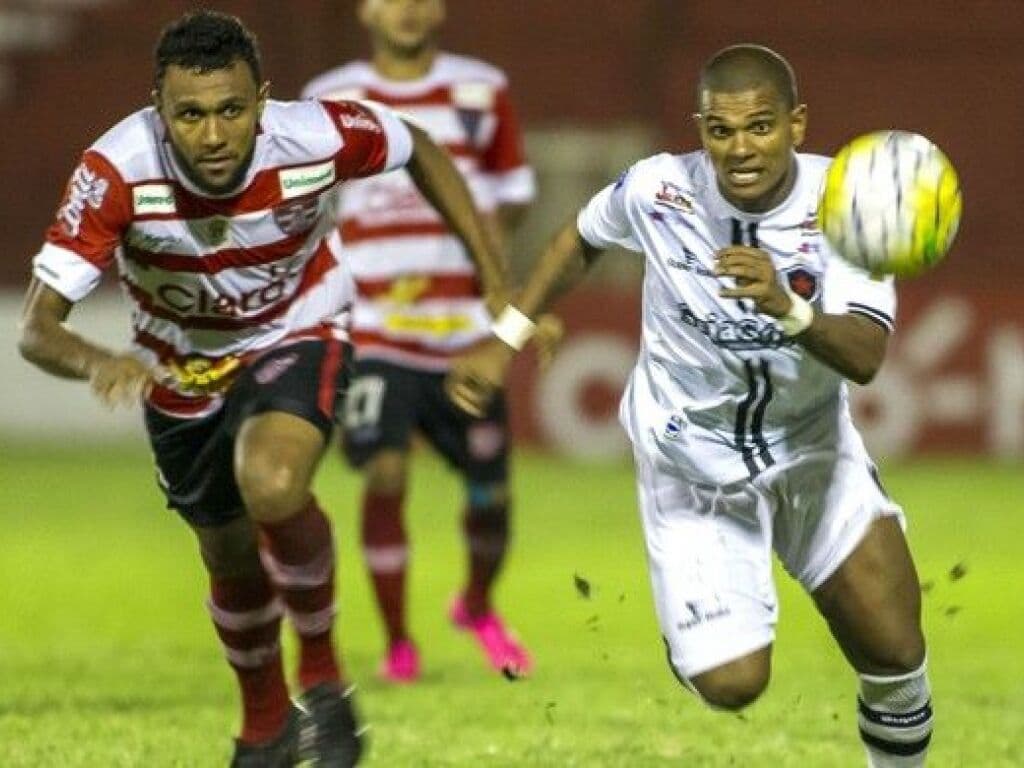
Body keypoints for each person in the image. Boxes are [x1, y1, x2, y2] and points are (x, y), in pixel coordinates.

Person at [18, 10, 511, 767]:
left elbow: (421, 149)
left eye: (231, 110)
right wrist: (98, 361)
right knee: (229, 556)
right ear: (159, 111)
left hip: (299, 330)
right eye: (189, 114)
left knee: (273, 483)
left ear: (262, 101)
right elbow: (39, 327)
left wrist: (491, 278)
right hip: (181, 372)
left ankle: (323, 675)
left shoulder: (315, 135)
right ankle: (266, 725)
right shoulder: (115, 173)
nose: (213, 136)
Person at [447, 44, 933, 768]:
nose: (739, 149)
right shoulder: (659, 190)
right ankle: (697, 634)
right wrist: (505, 337)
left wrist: (788, 308)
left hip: (810, 451)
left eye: (760, 127)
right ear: (700, 128)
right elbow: (579, 238)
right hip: (689, 462)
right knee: (734, 684)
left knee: (894, 652)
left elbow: (864, 355)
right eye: (720, 130)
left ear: (797, 124)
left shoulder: (850, 204)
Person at [302, 0, 546, 683]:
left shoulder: (480, 89)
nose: (407, 10)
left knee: (488, 498)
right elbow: (309, 207)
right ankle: (399, 644)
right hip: (376, 329)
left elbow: (514, 195)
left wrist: (483, 259)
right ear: (365, 9)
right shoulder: (329, 97)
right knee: (385, 471)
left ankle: (475, 604)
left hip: (465, 334)